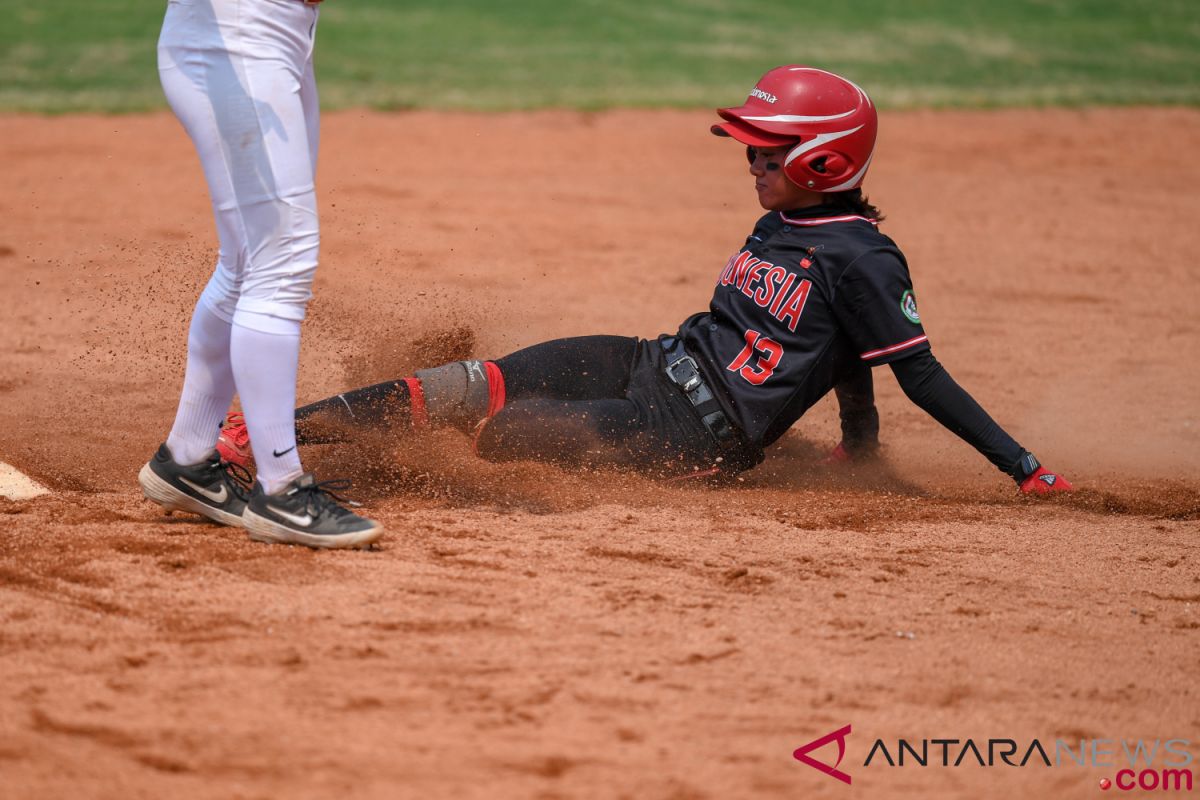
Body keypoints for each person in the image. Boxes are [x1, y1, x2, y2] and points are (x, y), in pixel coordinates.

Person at [218, 65, 1072, 496]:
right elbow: (842, 344)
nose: (751, 159)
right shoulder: (787, 222)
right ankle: (265, 438)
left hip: (692, 437)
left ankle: (323, 472)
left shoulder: (864, 256)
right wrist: (860, 439)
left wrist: (1022, 467)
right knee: (474, 384)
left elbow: (909, 367)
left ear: (826, 158)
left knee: (505, 435)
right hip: (651, 364)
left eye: (767, 150)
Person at [137, 0, 383, 550]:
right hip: (240, 45)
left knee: (250, 259)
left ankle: (188, 456)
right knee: (282, 262)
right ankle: (283, 490)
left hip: (274, 41)